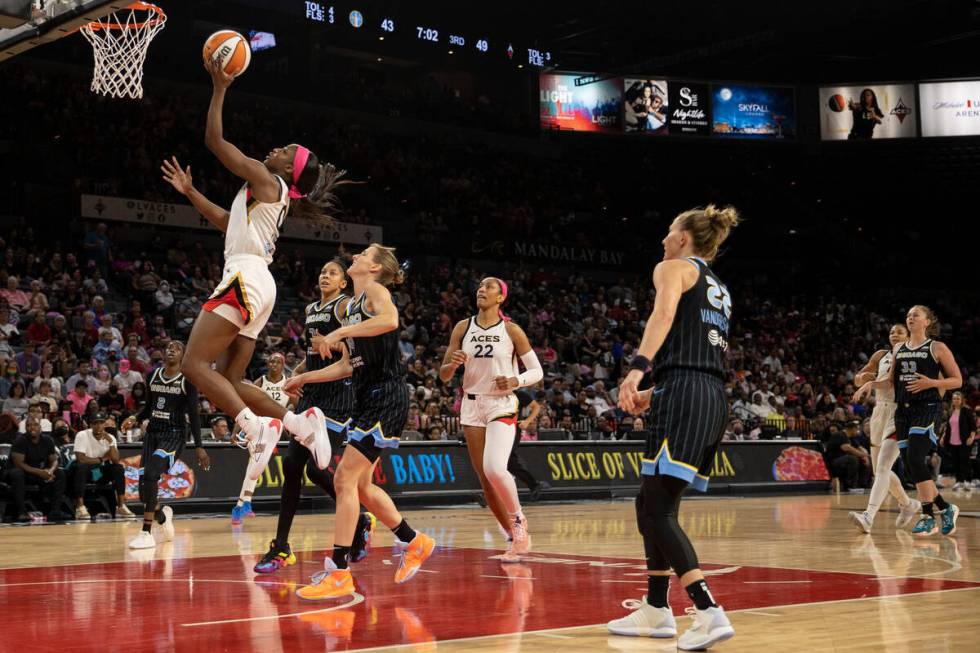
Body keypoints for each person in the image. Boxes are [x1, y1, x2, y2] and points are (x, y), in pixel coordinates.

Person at [160, 58, 349, 484]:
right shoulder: (269, 196)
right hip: (260, 284)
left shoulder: (267, 180)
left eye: (284, 151)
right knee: (229, 377)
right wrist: (191, 192)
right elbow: (229, 223)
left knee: (192, 364)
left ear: (287, 169)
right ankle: (300, 425)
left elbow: (214, 140)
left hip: (245, 277)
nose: (275, 150)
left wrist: (219, 86)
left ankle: (253, 426)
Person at [608, 205, 739, 650]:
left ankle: (707, 609)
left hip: (684, 391)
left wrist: (637, 370)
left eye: (669, 231)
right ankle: (657, 608)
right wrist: (657, 390)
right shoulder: (718, 285)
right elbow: (696, 346)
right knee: (651, 502)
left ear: (684, 238)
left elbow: (662, 318)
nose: (663, 239)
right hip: (706, 393)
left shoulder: (672, 267)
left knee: (658, 509)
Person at [286, 244, 435, 600]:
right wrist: (305, 378)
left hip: (386, 395)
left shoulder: (375, 291)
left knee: (343, 478)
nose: (355, 256)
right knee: (363, 487)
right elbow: (348, 365)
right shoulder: (352, 306)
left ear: (375, 268)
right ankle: (415, 542)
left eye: (364, 254)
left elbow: (390, 320)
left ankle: (338, 571)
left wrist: (336, 335)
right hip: (367, 396)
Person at [254, 259, 375, 574]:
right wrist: (297, 374)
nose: (325, 275)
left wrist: (331, 343)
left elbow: (352, 357)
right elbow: (311, 355)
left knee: (315, 468)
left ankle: (359, 518)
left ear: (343, 282)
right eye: (322, 271)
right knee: (293, 467)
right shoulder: (310, 310)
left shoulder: (346, 307)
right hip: (311, 396)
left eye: (332, 272)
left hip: (337, 398)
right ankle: (281, 547)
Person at [439, 277, 544, 562]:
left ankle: (519, 522)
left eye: (489, 287)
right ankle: (512, 536)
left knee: (495, 468)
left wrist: (516, 379)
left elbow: (537, 371)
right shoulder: (463, 327)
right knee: (486, 480)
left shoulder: (511, 330)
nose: (482, 290)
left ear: (501, 298)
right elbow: (443, 374)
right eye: (480, 287)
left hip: (501, 403)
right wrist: (453, 364)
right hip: (472, 405)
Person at [855, 305, 963, 536]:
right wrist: (871, 384)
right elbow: (891, 382)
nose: (911, 318)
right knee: (913, 466)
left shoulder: (937, 347)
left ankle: (927, 515)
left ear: (927, 322)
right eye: (908, 315)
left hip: (927, 408)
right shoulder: (898, 350)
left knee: (915, 458)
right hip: (902, 412)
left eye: (916, 315)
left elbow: (957, 380)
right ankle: (945, 508)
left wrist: (932, 383)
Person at [124, 341, 210, 549]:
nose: (171, 350)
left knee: (152, 473)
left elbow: (194, 415)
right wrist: (135, 418)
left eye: (177, 348)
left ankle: (146, 533)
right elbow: (148, 408)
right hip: (152, 434)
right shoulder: (153, 376)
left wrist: (199, 446)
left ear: (183, 355)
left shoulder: (187, 380)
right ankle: (162, 517)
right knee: (144, 491)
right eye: (168, 348)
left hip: (174, 435)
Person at [848, 324, 921, 533]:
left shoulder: (912, 356)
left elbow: (892, 383)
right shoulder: (881, 355)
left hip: (900, 412)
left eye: (899, 332)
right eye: (891, 332)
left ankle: (868, 516)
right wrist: (863, 378)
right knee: (880, 470)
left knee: (882, 467)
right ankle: (908, 504)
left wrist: (871, 383)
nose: (894, 335)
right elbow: (859, 377)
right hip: (879, 411)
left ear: (908, 336)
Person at [231, 351, 293, 524]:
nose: (273, 364)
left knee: (255, 464)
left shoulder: (287, 384)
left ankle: (240, 506)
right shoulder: (260, 382)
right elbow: (245, 406)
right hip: (257, 425)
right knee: (256, 462)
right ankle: (245, 504)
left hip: (275, 428)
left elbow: (295, 407)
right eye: (270, 362)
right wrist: (236, 429)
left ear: (282, 365)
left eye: (276, 362)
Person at [69, 412, 134, 519]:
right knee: (80, 467)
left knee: (118, 468)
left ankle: (121, 506)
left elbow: (116, 460)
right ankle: (80, 507)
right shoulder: (82, 435)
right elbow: (81, 459)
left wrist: (110, 442)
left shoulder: (110, 437)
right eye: (95, 423)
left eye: (101, 423)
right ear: (90, 425)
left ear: (105, 424)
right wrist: (101, 459)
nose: (99, 426)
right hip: (87, 471)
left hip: (101, 471)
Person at [9, 416, 69, 521]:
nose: (32, 427)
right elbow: (19, 464)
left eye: (35, 425)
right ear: (26, 428)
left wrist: (50, 471)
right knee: (17, 473)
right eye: (29, 425)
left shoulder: (47, 440)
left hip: (39, 472)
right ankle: (21, 512)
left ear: (40, 427)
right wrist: (40, 472)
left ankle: (56, 511)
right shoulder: (20, 441)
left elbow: (54, 460)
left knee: (60, 473)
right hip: (23, 473)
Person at [941, 391, 975, 490]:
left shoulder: (966, 411)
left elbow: (973, 426)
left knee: (965, 462)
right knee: (956, 462)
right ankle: (959, 481)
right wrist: (943, 437)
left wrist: (971, 437)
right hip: (952, 440)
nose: (955, 400)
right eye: (954, 399)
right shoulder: (951, 411)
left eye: (958, 399)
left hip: (964, 440)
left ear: (961, 400)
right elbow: (948, 426)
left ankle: (967, 481)